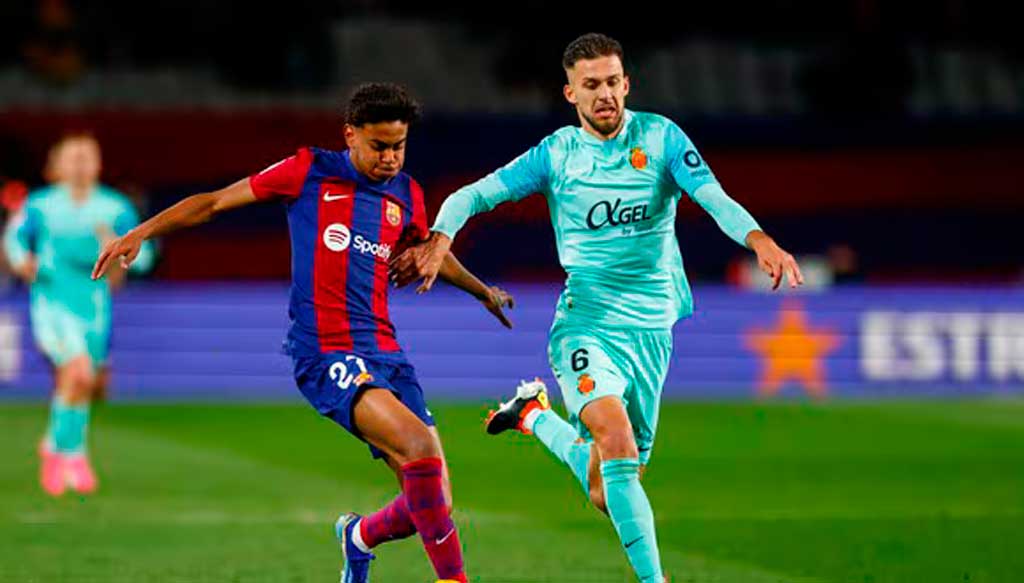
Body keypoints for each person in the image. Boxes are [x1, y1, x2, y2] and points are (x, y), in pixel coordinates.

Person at [390, 34, 804, 582]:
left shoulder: (660, 137)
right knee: (615, 439)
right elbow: (471, 195)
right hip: (585, 325)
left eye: (612, 82)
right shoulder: (556, 154)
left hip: (652, 331)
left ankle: (533, 415)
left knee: (606, 490)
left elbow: (712, 197)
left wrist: (758, 239)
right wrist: (441, 238)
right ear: (571, 93)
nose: (604, 93)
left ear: (626, 84)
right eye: (591, 85)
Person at [93, 83, 512, 583]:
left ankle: (358, 536)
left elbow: (430, 253)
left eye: (399, 147)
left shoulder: (407, 195)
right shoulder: (308, 170)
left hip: (386, 351)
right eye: (379, 146)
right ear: (350, 135)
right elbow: (214, 203)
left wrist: (481, 291)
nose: (389, 158)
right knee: (419, 447)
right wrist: (141, 231)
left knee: (435, 502)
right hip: (326, 351)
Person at [4, 132, 155, 496]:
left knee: (85, 382)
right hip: (53, 297)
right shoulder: (39, 205)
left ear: (98, 164)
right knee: (78, 370)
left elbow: (145, 257)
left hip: (94, 302)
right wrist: (22, 260)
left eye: (87, 156)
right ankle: (72, 455)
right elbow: (13, 238)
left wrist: (119, 251)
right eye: (73, 156)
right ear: (56, 165)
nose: (80, 163)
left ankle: (58, 445)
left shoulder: (115, 208)